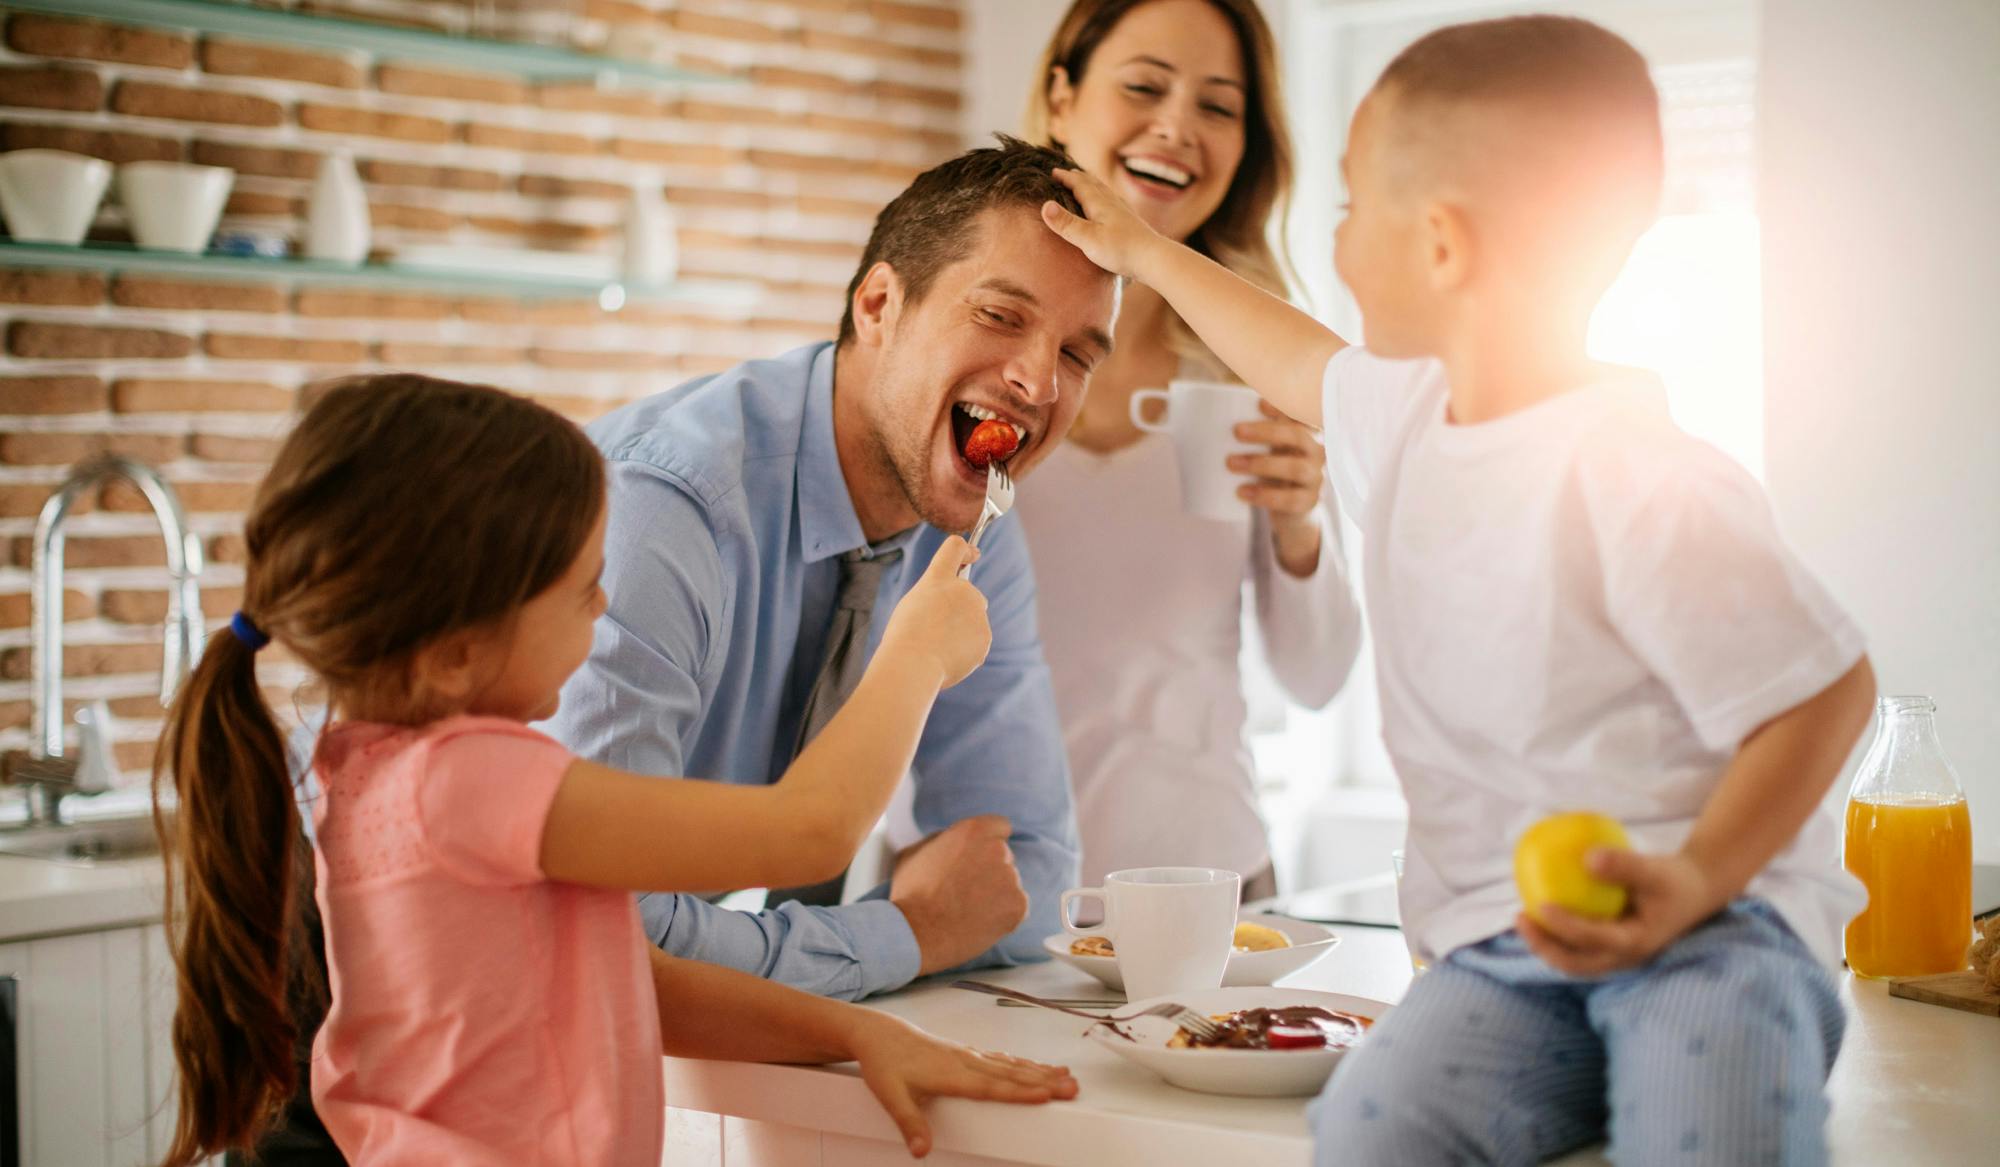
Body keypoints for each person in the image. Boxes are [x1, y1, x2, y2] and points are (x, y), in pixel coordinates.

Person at [1040, 15, 1875, 1164]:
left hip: (1712, 940)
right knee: (1373, 1128)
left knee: (1705, 1128)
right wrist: (1139, 252)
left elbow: (1822, 692)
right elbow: (1275, 345)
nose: (1330, 248)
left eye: (1344, 211)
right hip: (1500, 955)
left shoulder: (1638, 475)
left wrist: (1694, 879)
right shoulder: (1407, 418)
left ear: (1436, 246)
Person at [153, 374, 1077, 1166]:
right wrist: (913, 654)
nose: (605, 603)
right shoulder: (476, 781)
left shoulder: (363, 772)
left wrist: (859, 1032)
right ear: (454, 652)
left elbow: (625, 971)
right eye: (581, 584)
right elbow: (813, 825)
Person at [541, 139, 1117, 997]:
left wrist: (916, 927)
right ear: (880, 305)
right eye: (1001, 316)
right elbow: (608, 928)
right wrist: (904, 932)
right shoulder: (660, 507)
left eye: (1077, 354)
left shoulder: (974, 529)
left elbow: (1020, 872)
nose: (1038, 380)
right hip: (342, 987)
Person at [1014, 0, 1362, 894]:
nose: (1177, 126)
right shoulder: (969, 348)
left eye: (1218, 105)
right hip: (985, 897)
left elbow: (1319, 678)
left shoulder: (1254, 368)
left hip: (1216, 891)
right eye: (1142, 85)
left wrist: (1299, 525)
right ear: (1062, 97)